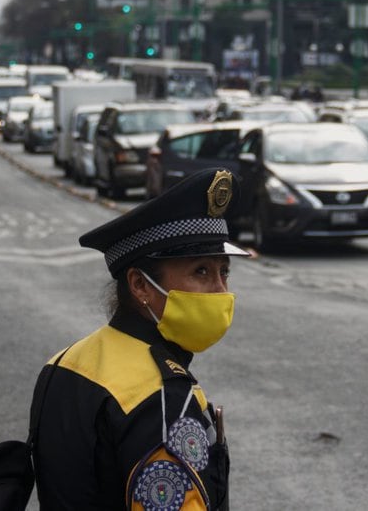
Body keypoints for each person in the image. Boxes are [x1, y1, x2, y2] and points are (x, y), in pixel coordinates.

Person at [29, 168, 246, 509]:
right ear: (140, 285)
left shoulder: (62, 363)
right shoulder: (164, 396)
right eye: (200, 271)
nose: (221, 291)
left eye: (224, 272)